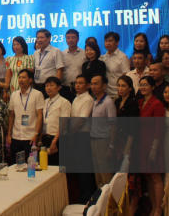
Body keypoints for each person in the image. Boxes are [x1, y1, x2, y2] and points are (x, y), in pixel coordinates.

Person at [137, 76, 166, 216]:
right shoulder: (140, 102)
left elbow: (159, 128)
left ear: (152, 87)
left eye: (146, 85)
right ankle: (153, 206)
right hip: (142, 144)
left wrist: (154, 148)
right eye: (141, 85)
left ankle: (158, 209)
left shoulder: (157, 104)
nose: (143, 87)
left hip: (154, 145)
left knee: (156, 177)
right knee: (148, 177)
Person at [7, 69, 44, 162]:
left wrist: (36, 134)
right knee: (15, 165)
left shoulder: (37, 94)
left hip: (30, 138)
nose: (21, 80)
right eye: (19, 77)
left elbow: (40, 116)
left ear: (30, 80)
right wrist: (9, 134)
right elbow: (11, 116)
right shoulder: (14, 95)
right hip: (16, 136)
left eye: (23, 77)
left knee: (31, 166)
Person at [70, 74, 96, 203]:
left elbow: (82, 119)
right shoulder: (76, 98)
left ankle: (87, 197)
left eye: (81, 83)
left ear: (87, 85)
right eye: (76, 83)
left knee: (84, 169)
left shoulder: (88, 99)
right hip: (75, 136)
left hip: (83, 136)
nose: (77, 85)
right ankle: (81, 196)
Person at [89, 75, 116, 187]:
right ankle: (100, 195)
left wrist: (111, 146)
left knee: (105, 172)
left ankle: (108, 197)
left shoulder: (108, 102)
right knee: (97, 171)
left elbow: (113, 125)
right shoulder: (95, 100)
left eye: (96, 84)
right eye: (92, 84)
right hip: (94, 139)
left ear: (104, 86)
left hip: (104, 141)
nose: (93, 86)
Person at [41, 77, 70, 166]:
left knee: (57, 167)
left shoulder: (64, 102)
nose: (48, 88)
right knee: (45, 166)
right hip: (45, 138)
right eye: (47, 86)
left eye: (51, 85)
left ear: (59, 87)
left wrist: (54, 141)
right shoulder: (45, 101)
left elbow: (64, 124)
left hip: (57, 139)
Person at [114, 75, 139, 169]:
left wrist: (127, 149)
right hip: (118, 138)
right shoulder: (117, 102)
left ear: (130, 88)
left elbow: (133, 127)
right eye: (119, 85)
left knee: (126, 167)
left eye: (123, 86)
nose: (120, 88)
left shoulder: (132, 103)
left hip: (129, 139)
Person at [32, 29, 64, 97]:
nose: (39, 40)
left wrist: (56, 86)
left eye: (42, 37)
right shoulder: (36, 53)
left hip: (50, 87)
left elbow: (60, 70)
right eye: (38, 38)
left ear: (49, 38)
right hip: (37, 85)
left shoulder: (56, 51)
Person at [100, 32, 129, 98]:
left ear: (117, 43)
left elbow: (126, 76)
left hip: (118, 94)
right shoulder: (103, 57)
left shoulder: (122, 57)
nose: (108, 43)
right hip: (105, 94)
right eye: (106, 41)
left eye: (110, 41)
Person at [61, 29, 84, 101]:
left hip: (81, 88)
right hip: (66, 88)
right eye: (68, 38)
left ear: (78, 39)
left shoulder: (84, 54)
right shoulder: (62, 54)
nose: (70, 40)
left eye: (73, 37)